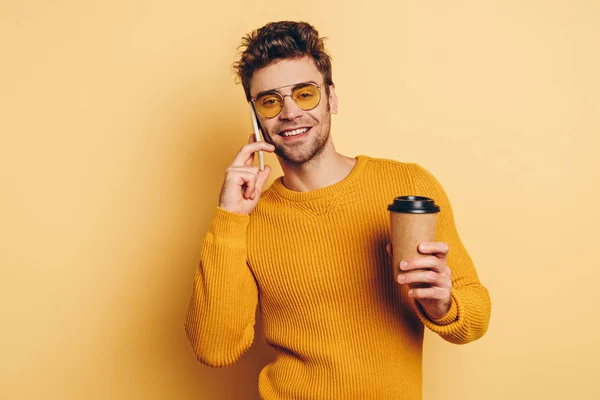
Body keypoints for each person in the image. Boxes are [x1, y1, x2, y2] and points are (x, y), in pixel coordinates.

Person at [185, 21, 491, 399]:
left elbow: (475, 316)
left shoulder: (407, 185)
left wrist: (442, 303)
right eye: (270, 101)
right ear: (256, 118)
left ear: (331, 98)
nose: (290, 112)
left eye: (305, 93)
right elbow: (214, 348)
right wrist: (229, 218)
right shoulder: (247, 219)